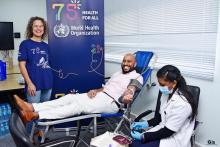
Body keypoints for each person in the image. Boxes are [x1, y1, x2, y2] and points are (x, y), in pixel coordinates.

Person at [14, 53, 143, 123]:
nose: (125, 64)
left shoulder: (137, 77)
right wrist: (95, 90)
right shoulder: (117, 73)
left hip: (113, 103)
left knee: (78, 106)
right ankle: (32, 107)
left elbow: (132, 88)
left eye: (129, 61)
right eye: (124, 61)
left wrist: (128, 94)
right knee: (70, 97)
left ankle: (36, 115)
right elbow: (107, 87)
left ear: (134, 64)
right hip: (101, 95)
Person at [130, 65, 196, 147]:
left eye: (162, 84)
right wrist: (145, 123)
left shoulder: (183, 104)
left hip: (174, 139)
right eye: (159, 83)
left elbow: (168, 131)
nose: (160, 87)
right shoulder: (167, 94)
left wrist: (144, 137)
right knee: (133, 143)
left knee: (136, 145)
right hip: (162, 130)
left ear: (174, 83)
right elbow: (160, 118)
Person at [18, 16, 53, 136]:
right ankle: (29, 138)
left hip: (47, 83)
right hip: (34, 84)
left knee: (43, 112)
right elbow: (22, 65)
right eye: (36, 26)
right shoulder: (25, 44)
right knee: (31, 112)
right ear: (31, 28)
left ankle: (40, 134)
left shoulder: (46, 46)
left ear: (44, 28)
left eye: (41, 26)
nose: (38, 28)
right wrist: (29, 83)